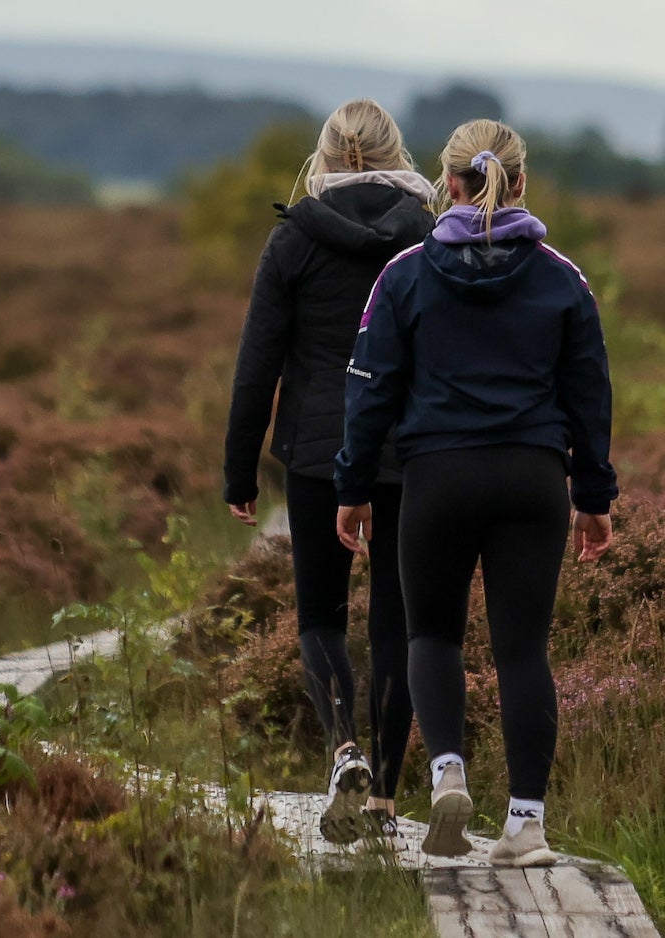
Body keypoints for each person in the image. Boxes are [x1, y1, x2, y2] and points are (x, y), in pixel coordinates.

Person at [333, 118, 617, 866]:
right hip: (532, 480)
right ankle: (527, 827)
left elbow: (370, 392)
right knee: (524, 652)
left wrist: (353, 485)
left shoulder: (403, 275)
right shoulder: (562, 277)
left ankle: (447, 771)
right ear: (520, 182)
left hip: (437, 478)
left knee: (432, 635)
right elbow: (591, 396)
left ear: (447, 184)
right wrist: (593, 496)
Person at [223, 99, 435, 845]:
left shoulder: (293, 241)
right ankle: (384, 800)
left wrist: (239, 471)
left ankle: (343, 746)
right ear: (395, 151)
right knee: (398, 619)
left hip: (316, 451)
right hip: (409, 451)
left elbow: (257, 368)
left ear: (324, 157)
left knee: (320, 612)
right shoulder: (428, 235)